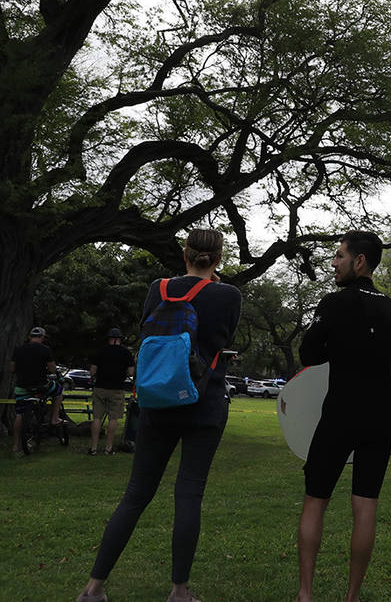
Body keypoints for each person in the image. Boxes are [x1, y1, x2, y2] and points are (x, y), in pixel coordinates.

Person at [77, 229, 241, 602]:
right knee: (188, 494)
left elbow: (147, 328)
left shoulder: (159, 288)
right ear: (218, 258)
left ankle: (93, 588)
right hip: (204, 403)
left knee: (135, 494)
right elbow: (224, 337)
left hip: (158, 401)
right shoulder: (229, 294)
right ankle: (179, 591)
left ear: (185, 254)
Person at [294, 230, 391, 602]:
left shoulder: (333, 303)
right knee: (366, 506)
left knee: (316, 500)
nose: (333, 263)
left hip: (340, 413)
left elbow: (309, 355)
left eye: (339, 256)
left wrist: (334, 341)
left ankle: (305, 595)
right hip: (378, 419)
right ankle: (352, 597)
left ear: (359, 261)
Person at [9, 326, 64, 454]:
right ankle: (55, 418)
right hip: (41, 386)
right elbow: (52, 369)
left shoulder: (18, 349)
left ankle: (16, 446)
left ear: (29, 337)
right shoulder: (45, 349)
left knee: (19, 414)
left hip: (22, 387)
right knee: (59, 390)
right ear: (42, 337)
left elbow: (12, 369)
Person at [88, 328, 135, 456]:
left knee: (97, 418)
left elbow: (92, 371)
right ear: (120, 339)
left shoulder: (101, 351)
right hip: (117, 388)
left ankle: (93, 448)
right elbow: (131, 372)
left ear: (109, 339)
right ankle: (108, 448)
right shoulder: (126, 353)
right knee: (113, 418)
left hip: (100, 387)